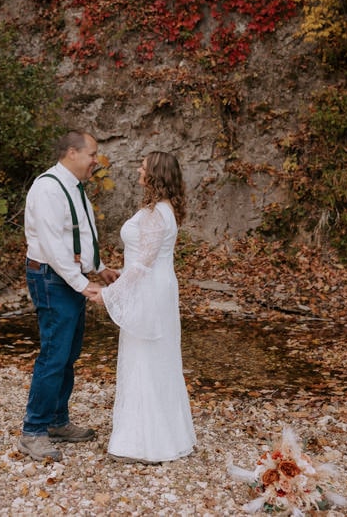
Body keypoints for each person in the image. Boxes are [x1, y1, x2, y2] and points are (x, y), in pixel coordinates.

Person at [88, 150, 196, 463]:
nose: (138, 170)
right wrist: (117, 277)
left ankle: (143, 444)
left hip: (150, 289)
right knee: (156, 358)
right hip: (156, 286)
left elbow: (142, 266)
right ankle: (164, 434)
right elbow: (142, 263)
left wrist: (109, 294)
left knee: (144, 358)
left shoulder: (155, 214)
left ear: (155, 176)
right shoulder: (164, 210)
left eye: (143, 167)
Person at [18, 130, 119, 461]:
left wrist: (100, 268)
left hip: (68, 276)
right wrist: (82, 285)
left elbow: (82, 235)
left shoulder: (76, 189)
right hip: (51, 278)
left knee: (69, 353)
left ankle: (58, 421)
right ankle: (33, 431)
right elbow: (52, 245)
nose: (96, 161)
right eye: (92, 154)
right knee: (53, 354)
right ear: (72, 152)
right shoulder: (48, 188)